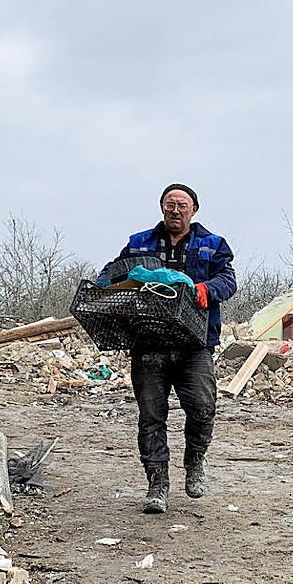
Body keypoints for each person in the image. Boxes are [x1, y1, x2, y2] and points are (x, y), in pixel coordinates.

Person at [98, 184, 237, 514]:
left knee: (203, 408)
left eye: (182, 205)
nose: (176, 210)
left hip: (195, 343)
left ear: (194, 210)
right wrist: (114, 291)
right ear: (162, 208)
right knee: (151, 417)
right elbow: (111, 273)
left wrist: (206, 289)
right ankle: (157, 485)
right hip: (149, 344)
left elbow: (228, 280)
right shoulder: (139, 243)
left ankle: (195, 460)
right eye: (170, 204)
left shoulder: (213, 245)